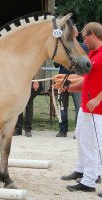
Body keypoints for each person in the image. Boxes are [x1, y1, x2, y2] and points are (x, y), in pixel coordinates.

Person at [57, 22, 102, 195]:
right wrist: (68, 87)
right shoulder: (92, 54)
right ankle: (87, 174)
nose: (83, 40)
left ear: (92, 35)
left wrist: (98, 99)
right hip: (87, 107)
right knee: (84, 140)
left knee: (94, 145)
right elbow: (87, 81)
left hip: (97, 110)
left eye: (84, 36)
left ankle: (89, 180)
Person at [54, 27, 89, 138]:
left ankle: (77, 131)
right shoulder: (62, 47)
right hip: (63, 79)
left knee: (79, 106)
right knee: (62, 106)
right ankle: (63, 130)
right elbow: (56, 64)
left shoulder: (83, 47)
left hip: (77, 78)